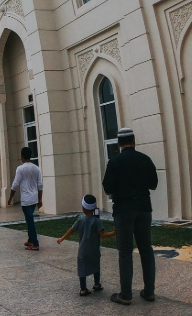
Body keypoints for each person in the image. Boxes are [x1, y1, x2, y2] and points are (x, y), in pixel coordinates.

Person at [102, 127, 158, 306]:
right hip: (143, 208)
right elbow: (153, 184)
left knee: (125, 252)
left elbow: (108, 188)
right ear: (134, 141)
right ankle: (149, 292)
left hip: (124, 210)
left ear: (119, 144)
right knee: (146, 249)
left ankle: (125, 295)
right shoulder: (145, 159)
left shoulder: (115, 162)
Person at [57, 195, 116, 296]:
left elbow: (72, 230)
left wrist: (62, 238)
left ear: (83, 208)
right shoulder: (97, 221)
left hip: (83, 250)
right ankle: (97, 284)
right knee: (96, 266)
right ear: (94, 209)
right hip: (94, 249)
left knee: (82, 268)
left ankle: (83, 289)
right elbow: (102, 235)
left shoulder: (80, 220)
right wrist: (113, 233)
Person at [7, 147, 43, 250]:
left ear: (22, 156)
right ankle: (30, 239)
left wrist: (10, 197)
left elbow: (15, 184)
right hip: (34, 198)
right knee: (29, 219)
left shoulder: (20, 169)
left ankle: (35, 244)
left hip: (26, 199)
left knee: (30, 221)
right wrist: (40, 199)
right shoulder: (36, 168)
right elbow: (40, 185)